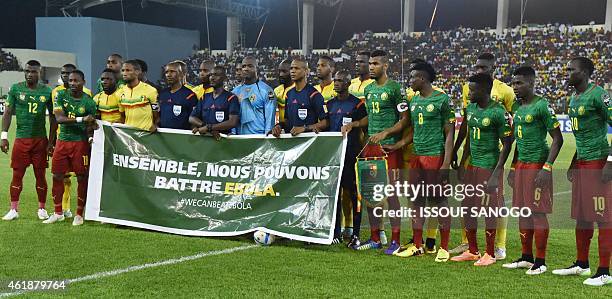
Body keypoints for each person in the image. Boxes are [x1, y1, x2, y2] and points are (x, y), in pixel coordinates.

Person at [450, 53, 516, 259]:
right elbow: (468, 133)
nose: (469, 93)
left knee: (491, 208)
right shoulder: (471, 106)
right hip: (473, 163)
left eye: (483, 68)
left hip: (490, 163)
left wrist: (498, 171)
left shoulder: (501, 102)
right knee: (467, 205)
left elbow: (508, 140)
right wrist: (460, 158)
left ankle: (493, 250)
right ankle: (472, 249)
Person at [552, 57, 611, 286]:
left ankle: (605, 271)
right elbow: (581, 136)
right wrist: (574, 162)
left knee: (603, 217)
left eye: (571, 69)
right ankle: (581, 264)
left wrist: (610, 162)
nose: (567, 73)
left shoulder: (599, 95)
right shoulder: (574, 98)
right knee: (582, 216)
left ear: (584, 72)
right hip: (583, 163)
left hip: (598, 162)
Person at [501, 66, 563, 275]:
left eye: (519, 83)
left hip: (538, 165)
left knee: (537, 212)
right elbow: (518, 140)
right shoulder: (517, 107)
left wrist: (546, 168)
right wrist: (512, 167)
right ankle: (526, 258)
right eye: (514, 83)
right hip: (521, 166)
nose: (515, 87)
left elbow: (557, 139)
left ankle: (541, 261)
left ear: (531, 83)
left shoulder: (542, 106)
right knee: (523, 212)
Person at [347, 50, 407, 254]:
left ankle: (395, 240)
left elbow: (404, 119)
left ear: (385, 65)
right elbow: (369, 118)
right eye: (370, 63)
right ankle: (375, 238)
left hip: (389, 148)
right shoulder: (370, 89)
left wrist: (386, 133)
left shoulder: (395, 88)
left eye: (375, 64)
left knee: (391, 196)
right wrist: (355, 124)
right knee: (372, 194)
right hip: (370, 150)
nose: (371, 67)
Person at [393, 62, 454, 262]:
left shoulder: (442, 99)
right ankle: (417, 245)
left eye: (412, 77)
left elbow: (449, 132)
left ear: (423, 78)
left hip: (434, 157)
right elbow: (414, 131)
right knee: (417, 201)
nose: (410, 81)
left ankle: (443, 247)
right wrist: (399, 144)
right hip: (416, 157)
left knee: (439, 202)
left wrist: (445, 163)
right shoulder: (415, 101)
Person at [1, 60, 55, 221]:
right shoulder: (16, 89)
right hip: (21, 139)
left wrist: (51, 142)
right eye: (27, 71)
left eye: (33, 71)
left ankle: (42, 209)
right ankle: (13, 209)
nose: (30, 74)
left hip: (40, 140)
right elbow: (8, 112)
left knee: (41, 175)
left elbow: (53, 118)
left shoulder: (47, 91)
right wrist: (3, 136)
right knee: (17, 174)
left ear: (40, 73)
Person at [44, 70, 97, 226]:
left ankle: (79, 214)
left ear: (83, 82)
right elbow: (59, 119)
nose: (73, 83)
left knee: (81, 177)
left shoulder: (89, 102)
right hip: (62, 142)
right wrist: (82, 119)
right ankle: (58, 212)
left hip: (80, 144)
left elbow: (91, 125)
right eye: (71, 80)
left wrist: (90, 134)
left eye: (76, 81)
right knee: (57, 176)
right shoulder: (61, 95)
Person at [325, 70, 366, 246]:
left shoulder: (356, 104)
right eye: (335, 80)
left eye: (340, 81)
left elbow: (366, 121)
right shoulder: (330, 104)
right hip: (334, 156)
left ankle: (356, 233)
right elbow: (326, 124)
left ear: (348, 84)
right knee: (335, 195)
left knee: (354, 194)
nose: (336, 83)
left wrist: (354, 124)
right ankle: (335, 232)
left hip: (351, 156)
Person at [269, 57, 328, 137]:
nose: (293, 71)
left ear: (306, 71)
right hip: (291, 144)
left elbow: (326, 122)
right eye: (291, 68)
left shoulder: (314, 95)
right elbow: (287, 121)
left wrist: (305, 128)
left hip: (308, 143)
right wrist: (279, 126)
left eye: (296, 68)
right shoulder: (289, 94)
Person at [189, 65, 240, 138]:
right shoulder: (204, 97)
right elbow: (191, 117)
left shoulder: (231, 98)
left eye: (216, 75)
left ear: (225, 79)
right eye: (211, 75)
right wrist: (207, 127)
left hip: (222, 142)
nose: (212, 78)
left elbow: (232, 122)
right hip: (204, 141)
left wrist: (209, 128)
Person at [232, 56, 276, 135]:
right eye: (243, 66)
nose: (246, 69)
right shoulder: (234, 92)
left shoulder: (267, 91)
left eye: (250, 66)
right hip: (239, 140)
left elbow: (270, 119)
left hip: (259, 139)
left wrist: (267, 138)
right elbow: (232, 118)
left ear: (257, 69)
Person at [118, 60, 159, 132]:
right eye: (123, 70)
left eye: (128, 70)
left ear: (137, 72)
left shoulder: (150, 90)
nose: (124, 73)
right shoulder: (120, 92)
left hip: (146, 134)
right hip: (129, 135)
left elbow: (157, 115)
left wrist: (155, 125)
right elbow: (122, 116)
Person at [158, 61, 198, 130]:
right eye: (166, 72)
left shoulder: (189, 95)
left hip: (181, 137)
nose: (168, 75)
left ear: (181, 74)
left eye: (172, 71)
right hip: (163, 137)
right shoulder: (162, 93)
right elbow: (158, 116)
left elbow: (194, 119)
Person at [274, 59, 294, 124]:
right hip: (279, 129)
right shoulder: (276, 90)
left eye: (284, 71)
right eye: (279, 71)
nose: (281, 75)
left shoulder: (298, 89)